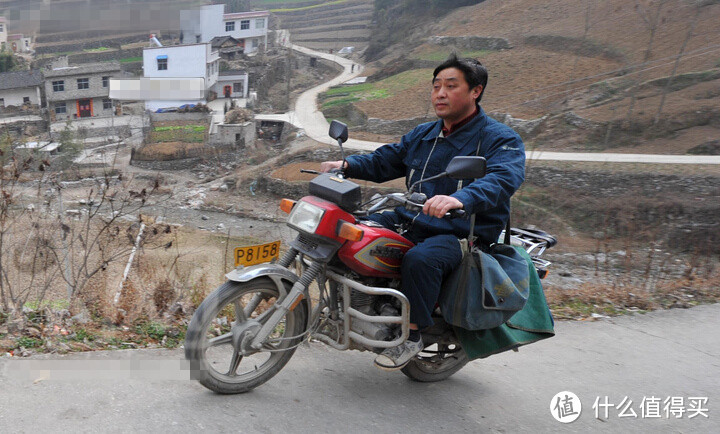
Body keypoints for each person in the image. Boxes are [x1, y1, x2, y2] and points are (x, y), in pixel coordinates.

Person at [320, 54, 526, 371]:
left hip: (460, 234)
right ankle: (350, 305)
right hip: (411, 219)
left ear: (476, 91)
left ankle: (412, 334)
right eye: (436, 86)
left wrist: (460, 198)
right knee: (351, 231)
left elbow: (503, 178)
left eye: (450, 86)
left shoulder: (500, 138)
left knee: (421, 260)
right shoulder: (424, 134)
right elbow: (384, 160)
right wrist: (346, 166)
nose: (440, 93)